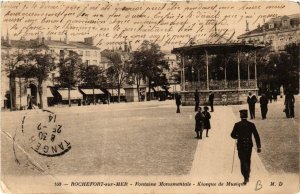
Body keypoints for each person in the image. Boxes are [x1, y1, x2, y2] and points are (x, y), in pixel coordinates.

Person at [231, 109, 261, 185]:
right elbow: (256, 136)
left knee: (243, 161)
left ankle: (246, 177)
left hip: (241, 146)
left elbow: (232, 135)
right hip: (249, 145)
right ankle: (247, 173)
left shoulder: (237, 124)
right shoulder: (251, 124)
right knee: (248, 160)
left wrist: (237, 136)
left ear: (240, 116)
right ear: (247, 116)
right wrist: (259, 147)